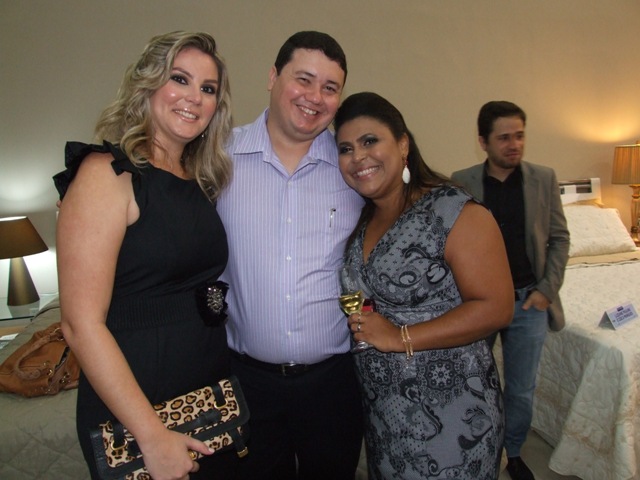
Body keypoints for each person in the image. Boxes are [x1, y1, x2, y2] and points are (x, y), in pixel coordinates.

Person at [54, 31, 237, 479]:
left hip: (205, 398)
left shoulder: (199, 179)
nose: (194, 97)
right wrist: (151, 435)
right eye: (180, 79)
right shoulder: (107, 174)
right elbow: (80, 324)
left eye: (207, 88)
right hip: (139, 411)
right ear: (148, 84)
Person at [333, 91, 514, 479]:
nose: (358, 156)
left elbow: (496, 307)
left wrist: (401, 337)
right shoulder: (362, 220)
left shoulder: (452, 211)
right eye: (346, 148)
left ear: (403, 145)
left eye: (370, 141)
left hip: (453, 416)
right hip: (386, 418)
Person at [216, 31, 365, 480]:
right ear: (272, 77)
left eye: (330, 87)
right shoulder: (218, 158)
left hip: (333, 383)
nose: (315, 97)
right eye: (304, 79)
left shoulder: (354, 169)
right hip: (247, 382)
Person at [452, 100, 570, 480]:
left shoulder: (543, 179)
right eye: (504, 138)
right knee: (471, 382)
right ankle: (476, 448)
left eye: (519, 136)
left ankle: (513, 452)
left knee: (520, 390)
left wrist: (546, 290)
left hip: (528, 302)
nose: (514, 144)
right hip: (479, 303)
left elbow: (559, 238)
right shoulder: (462, 182)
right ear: (483, 142)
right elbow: (452, 242)